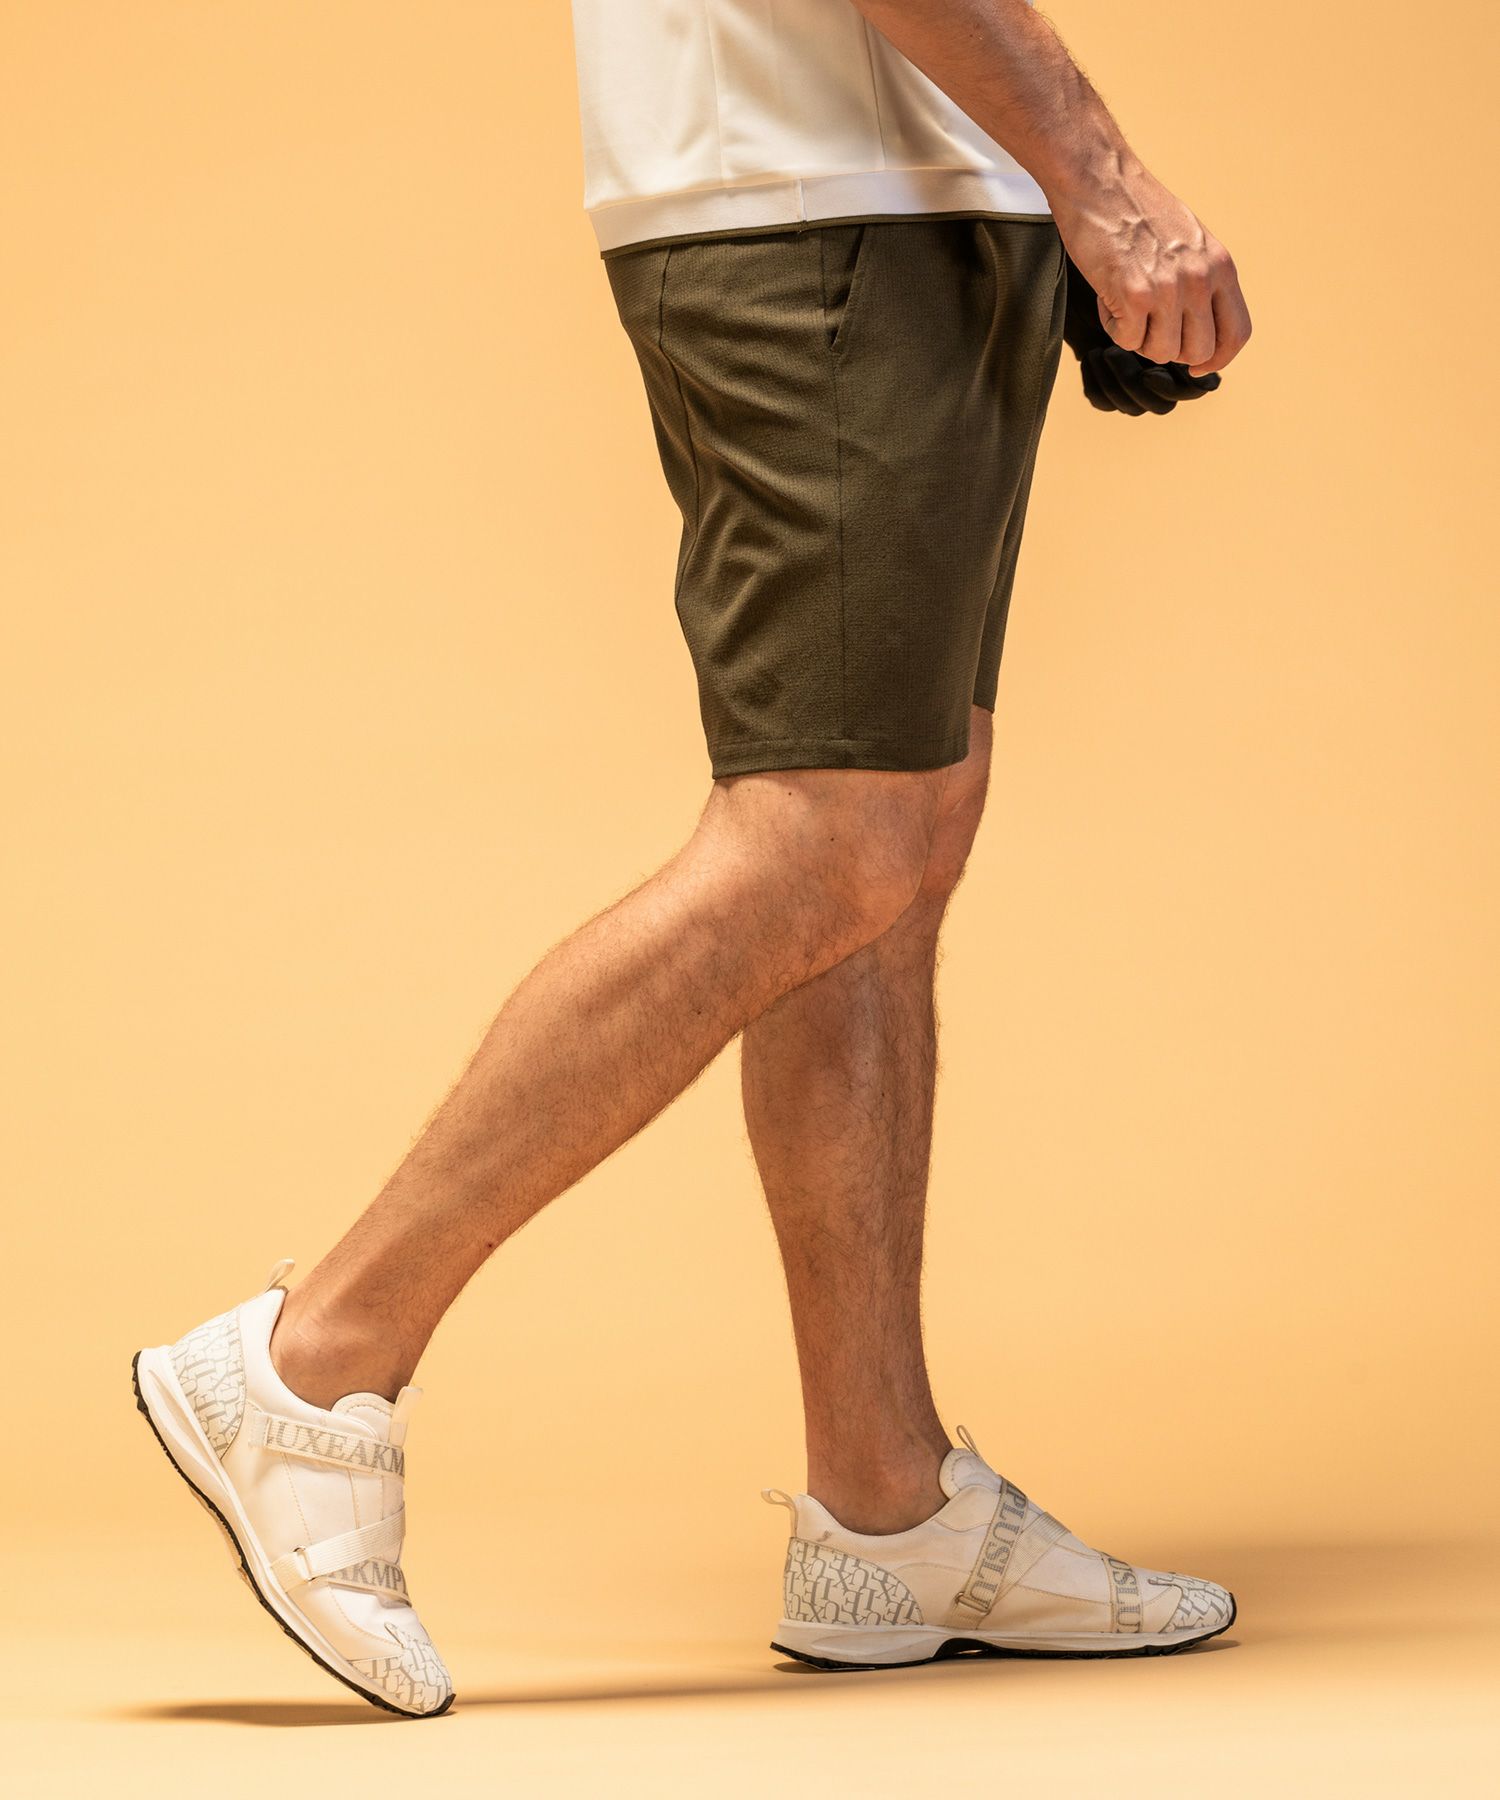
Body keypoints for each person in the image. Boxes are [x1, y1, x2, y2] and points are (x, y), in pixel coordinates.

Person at [133, 1, 1251, 1717]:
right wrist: (1097, 174)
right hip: (814, 204)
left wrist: (1037, 187)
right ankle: (311, 1360)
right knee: (828, 839)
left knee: (901, 840)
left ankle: (883, 1511)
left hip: (908, 198)